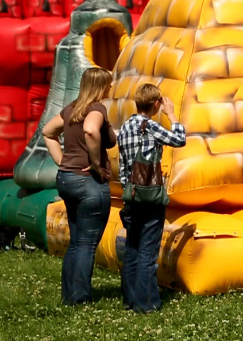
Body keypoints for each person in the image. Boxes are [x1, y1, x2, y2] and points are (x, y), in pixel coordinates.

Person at [42, 67, 116, 305]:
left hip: (67, 178)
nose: (111, 87)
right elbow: (90, 130)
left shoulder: (72, 108)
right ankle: (80, 299)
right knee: (86, 244)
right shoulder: (96, 109)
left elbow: (48, 132)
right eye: (108, 83)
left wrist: (62, 161)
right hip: (88, 183)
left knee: (76, 242)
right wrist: (95, 164)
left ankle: (69, 295)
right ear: (100, 87)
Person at [118, 83, 186, 313]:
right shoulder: (151, 126)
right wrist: (172, 114)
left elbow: (122, 166)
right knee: (148, 251)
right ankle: (146, 304)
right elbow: (179, 139)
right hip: (150, 196)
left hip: (131, 195)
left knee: (133, 249)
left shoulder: (125, 127)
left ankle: (130, 299)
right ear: (156, 104)